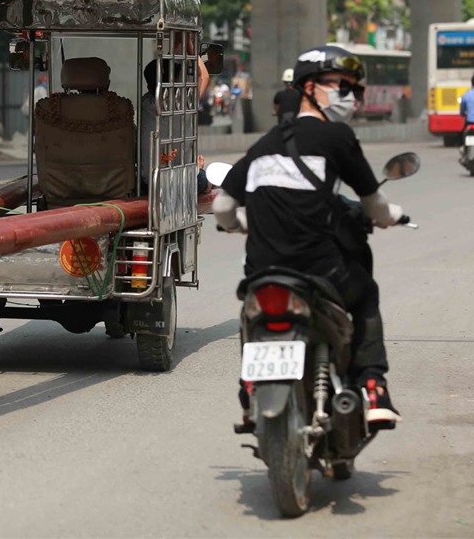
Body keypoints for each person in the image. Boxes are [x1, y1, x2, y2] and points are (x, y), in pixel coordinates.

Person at [213, 44, 403, 430]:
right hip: (320, 271)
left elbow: (221, 208)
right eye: (342, 87)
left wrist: (239, 225)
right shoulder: (337, 137)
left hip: (263, 273)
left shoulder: (262, 146)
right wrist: (392, 216)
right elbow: (374, 204)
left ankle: (249, 389)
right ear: (309, 87)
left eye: (355, 90)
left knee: (251, 317)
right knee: (365, 294)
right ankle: (373, 386)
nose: (350, 97)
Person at [141, 53, 210, 194]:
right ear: (176, 80)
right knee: (205, 179)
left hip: (150, 184)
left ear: (148, 85)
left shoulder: (145, 104)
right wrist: (190, 46)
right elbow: (203, 76)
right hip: (184, 181)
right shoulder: (184, 102)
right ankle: (199, 169)